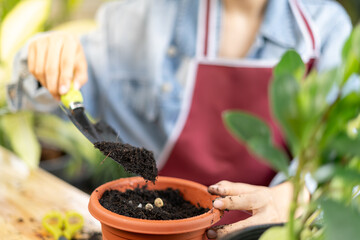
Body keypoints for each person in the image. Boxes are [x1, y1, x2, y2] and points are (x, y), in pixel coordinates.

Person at [7, 0, 352, 238]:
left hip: (270, 234)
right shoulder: (148, 18)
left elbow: (348, 157)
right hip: (156, 231)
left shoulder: (325, 30)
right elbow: (53, 88)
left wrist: (298, 194)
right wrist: (46, 58)